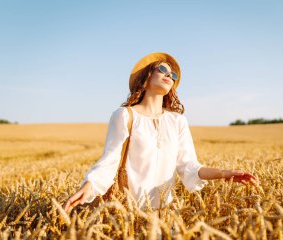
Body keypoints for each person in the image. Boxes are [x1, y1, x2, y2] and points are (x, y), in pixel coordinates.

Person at [63, 52, 257, 213]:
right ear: (146, 77)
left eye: (173, 75)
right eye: (162, 69)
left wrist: (223, 173)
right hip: (126, 213)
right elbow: (110, 160)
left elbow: (189, 167)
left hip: (165, 216)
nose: (169, 75)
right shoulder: (124, 116)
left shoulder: (178, 121)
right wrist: (89, 185)